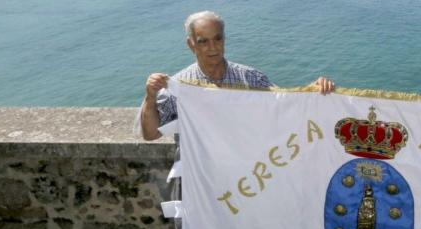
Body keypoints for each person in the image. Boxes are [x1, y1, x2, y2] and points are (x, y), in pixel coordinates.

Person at [139, 10, 334, 141]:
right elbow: (150, 134)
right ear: (191, 45)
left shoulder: (251, 79)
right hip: (199, 181)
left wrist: (314, 91)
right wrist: (150, 97)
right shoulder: (179, 87)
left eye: (217, 39)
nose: (213, 47)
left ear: (224, 39)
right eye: (203, 41)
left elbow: (284, 106)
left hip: (242, 179)